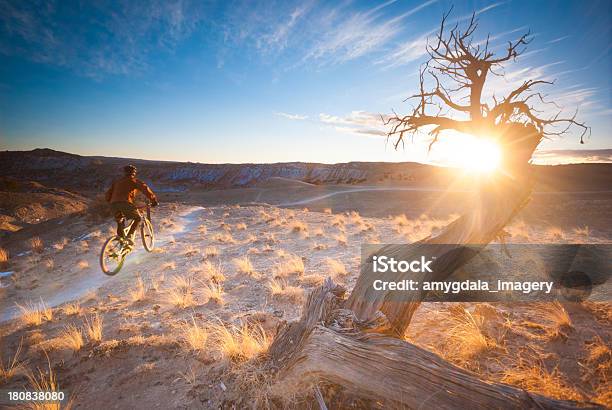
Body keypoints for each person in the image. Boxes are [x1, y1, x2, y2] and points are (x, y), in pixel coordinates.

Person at [105, 165, 158, 248]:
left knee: (120, 222)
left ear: (124, 172)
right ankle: (129, 236)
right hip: (125, 203)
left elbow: (107, 195)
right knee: (138, 218)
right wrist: (153, 200)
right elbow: (145, 189)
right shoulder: (133, 181)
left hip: (113, 204)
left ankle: (122, 244)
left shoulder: (117, 182)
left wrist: (112, 202)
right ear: (134, 173)